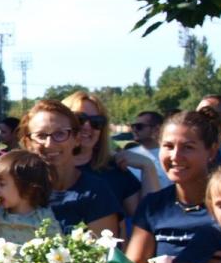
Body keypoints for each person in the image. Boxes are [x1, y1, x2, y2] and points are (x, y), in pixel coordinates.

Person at [126, 110, 221, 263]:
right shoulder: (153, 206)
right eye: (168, 146)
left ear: (211, 152)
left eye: (188, 147)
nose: (175, 156)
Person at [18, 100, 120, 237]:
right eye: (41, 136)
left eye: (60, 134)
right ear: (28, 143)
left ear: (76, 139)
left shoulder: (95, 192)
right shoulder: (19, 191)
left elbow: (104, 248)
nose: (49, 144)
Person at [62, 90, 159, 219]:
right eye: (79, 119)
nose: (87, 126)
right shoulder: (45, 170)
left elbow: (149, 219)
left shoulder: (113, 170)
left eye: (96, 122)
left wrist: (148, 166)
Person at [125, 110, 170, 186]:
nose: (134, 130)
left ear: (157, 129)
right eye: (133, 126)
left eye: (139, 126)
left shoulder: (170, 156)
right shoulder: (127, 155)